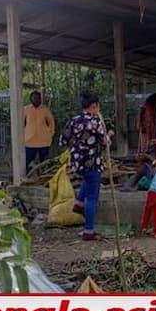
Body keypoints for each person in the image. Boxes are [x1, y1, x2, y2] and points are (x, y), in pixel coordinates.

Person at [59, 93, 113, 241]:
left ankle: (78, 203)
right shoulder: (95, 122)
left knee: (87, 180)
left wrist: (76, 148)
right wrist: (109, 135)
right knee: (93, 197)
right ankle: (89, 231)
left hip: (77, 162)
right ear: (94, 106)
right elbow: (104, 142)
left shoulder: (74, 120)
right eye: (98, 106)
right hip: (92, 162)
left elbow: (63, 140)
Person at [24, 91, 55, 173]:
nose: (36, 100)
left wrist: (50, 134)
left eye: (38, 98)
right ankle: (28, 178)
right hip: (29, 141)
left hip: (44, 141)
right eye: (34, 98)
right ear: (31, 99)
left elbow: (51, 122)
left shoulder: (45, 110)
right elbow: (21, 123)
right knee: (28, 162)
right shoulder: (26, 109)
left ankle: (43, 178)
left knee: (44, 163)